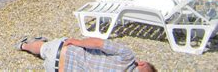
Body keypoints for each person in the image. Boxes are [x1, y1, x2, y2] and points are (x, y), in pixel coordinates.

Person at [17, 36, 156, 72]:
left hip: (62, 51)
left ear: (142, 63)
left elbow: (98, 43)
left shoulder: (128, 57)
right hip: (54, 70)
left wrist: (77, 41)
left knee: (43, 47)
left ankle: (24, 45)